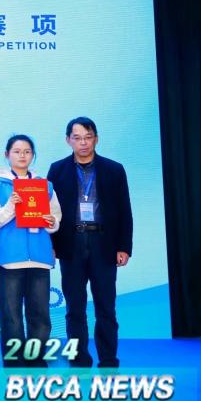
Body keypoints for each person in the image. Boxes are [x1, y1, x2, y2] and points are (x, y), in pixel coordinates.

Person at [48, 117, 133, 368]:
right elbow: (50, 211)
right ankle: (79, 358)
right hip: (71, 243)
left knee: (106, 306)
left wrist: (124, 247)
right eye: (77, 138)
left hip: (103, 243)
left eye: (88, 137)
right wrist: (51, 245)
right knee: (74, 307)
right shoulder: (57, 170)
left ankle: (108, 358)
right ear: (68, 140)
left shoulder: (114, 169)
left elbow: (125, 210)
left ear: (96, 138)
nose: (83, 143)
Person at [0, 135, 61, 368]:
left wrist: (51, 222)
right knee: (11, 316)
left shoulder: (45, 185)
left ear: (33, 155)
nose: (22, 155)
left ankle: (36, 361)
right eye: (17, 151)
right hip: (10, 259)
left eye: (27, 151)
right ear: (7, 154)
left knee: (40, 315)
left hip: (39, 258)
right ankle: (14, 364)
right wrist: (12, 205)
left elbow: (56, 217)